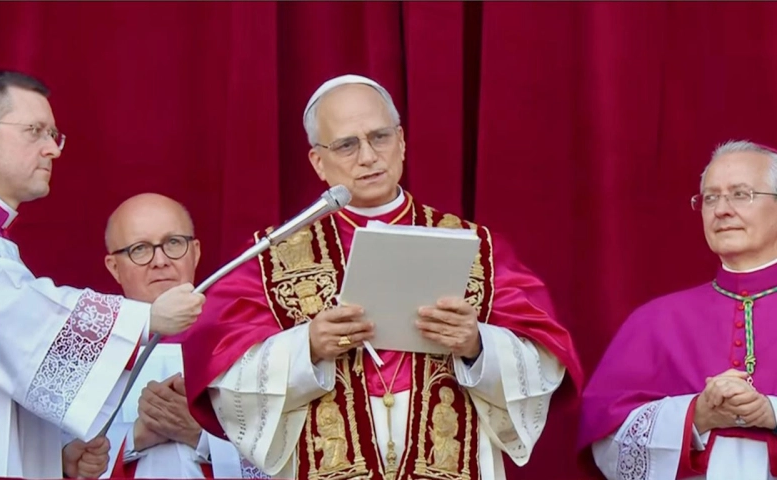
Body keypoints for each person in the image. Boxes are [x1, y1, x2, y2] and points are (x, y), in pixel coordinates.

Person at [182, 74, 583, 480]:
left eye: (380, 137)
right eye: (346, 144)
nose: (369, 156)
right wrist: (307, 348)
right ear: (318, 162)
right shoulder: (272, 256)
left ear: (402, 142)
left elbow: (545, 362)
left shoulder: (475, 246)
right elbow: (225, 377)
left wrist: (478, 345)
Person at [0, 70, 205, 477]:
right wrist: (145, 319)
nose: (53, 150)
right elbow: (12, 314)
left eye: (54, 135)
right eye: (35, 131)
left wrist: (57, 463)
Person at [579, 140, 777, 480]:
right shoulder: (655, 321)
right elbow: (607, 442)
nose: (722, 209)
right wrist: (696, 415)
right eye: (710, 198)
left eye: (741, 194)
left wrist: (771, 411)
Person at [95, 193, 263, 479]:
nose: (160, 261)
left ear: (195, 252)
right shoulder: (89, 350)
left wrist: (201, 437)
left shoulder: (245, 342)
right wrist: (137, 437)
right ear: (114, 267)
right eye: (140, 248)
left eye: (173, 243)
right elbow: (53, 458)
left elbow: (286, 453)